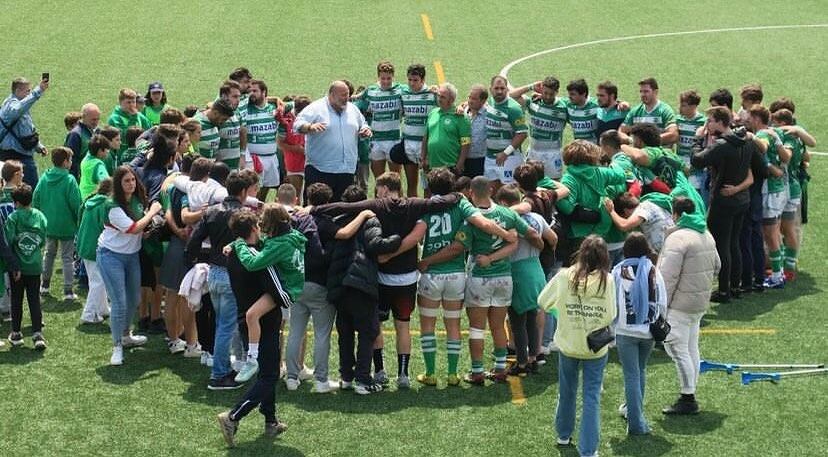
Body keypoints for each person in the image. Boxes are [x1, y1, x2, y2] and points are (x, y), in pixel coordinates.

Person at [538, 235, 616, 457]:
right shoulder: (607, 280)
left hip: (568, 342)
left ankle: (563, 435)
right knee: (591, 396)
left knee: (567, 391)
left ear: (581, 252)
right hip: (595, 347)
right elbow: (612, 314)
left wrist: (560, 312)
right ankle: (589, 450)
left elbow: (543, 301)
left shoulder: (564, 276)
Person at [217, 209, 288, 448]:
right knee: (270, 376)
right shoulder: (259, 259)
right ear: (255, 229)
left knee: (265, 371)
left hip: (247, 323)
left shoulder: (235, 252)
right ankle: (233, 417)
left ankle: (270, 419)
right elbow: (279, 292)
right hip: (264, 324)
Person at [325, 185, 401, 394]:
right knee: (367, 333)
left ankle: (346, 377)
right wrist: (397, 238)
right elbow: (377, 244)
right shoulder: (369, 220)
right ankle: (363, 379)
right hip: (361, 284)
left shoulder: (336, 222)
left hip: (339, 284)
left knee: (345, 333)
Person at [186, 171, 252, 389]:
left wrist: (191, 263)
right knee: (226, 325)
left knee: (221, 323)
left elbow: (194, 240)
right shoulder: (244, 215)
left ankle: (222, 368)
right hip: (233, 275)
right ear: (243, 192)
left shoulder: (212, 212)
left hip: (214, 273)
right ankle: (219, 374)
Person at [657, 197, 720, 415]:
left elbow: (667, 277)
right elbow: (717, 266)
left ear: (675, 214)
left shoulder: (678, 238)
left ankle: (688, 397)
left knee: (676, 347)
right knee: (691, 347)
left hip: (680, 304)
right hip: (699, 303)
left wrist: (660, 307)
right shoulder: (706, 234)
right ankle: (690, 392)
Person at [273, 184, 338, 392]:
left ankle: (291, 377)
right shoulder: (324, 223)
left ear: (308, 200)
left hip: (296, 284)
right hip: (319, 285)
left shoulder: (292, 221)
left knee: (295, 332)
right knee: (321, 334)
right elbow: (320, 254)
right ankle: (321, 381)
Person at [691, 106, 756, 302]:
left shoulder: (722, 145)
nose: (706, 125)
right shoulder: (746, 141)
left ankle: (724, 290)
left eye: (709, 121)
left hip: (723, 201)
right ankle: (735, 287)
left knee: (722, 245)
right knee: (734, 243)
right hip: (742, 200)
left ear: (720, 122)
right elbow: (759, 168)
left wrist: (698, 139)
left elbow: (697, 160)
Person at [98, 167, 163, 365]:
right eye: (126, 181)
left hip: (131, 255)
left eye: (133, 180)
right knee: (119, 302)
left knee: (134, 298)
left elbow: (138, 229)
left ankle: (126, 334)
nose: (131, 184)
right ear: (118, 183)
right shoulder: (112, 205)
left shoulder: (136, 200)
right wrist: (153, 212)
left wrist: (146, 229)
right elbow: (133, 228)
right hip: (111, 256)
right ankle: (117, 345)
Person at [496, 184, 554, 376]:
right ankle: (533, 358)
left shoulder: (507, 220)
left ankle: (521, 363)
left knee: (517, 321)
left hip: (517, 271)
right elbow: (552, 238)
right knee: (532, 316)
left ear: (503, 203)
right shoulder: (536, 218)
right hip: (535, 268)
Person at [611, 233, 666, 435]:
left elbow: (612, 301)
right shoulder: (653, 270)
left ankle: (635, 422)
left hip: (625, 331)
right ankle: (634, 412)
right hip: (648, 331)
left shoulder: (618, 271)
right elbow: (662, 302)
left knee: (631, 375)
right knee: (640, 371)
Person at [294, 80, 372, 202]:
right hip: (321, 170)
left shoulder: (353, 109)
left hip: (347, 170)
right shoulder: (316, 108)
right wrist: (309, 127)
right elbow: (297, 124)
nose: (346, 98)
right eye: (343, 95)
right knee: (318, 210)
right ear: (331, 95)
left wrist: (365, 130)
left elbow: (363, 123)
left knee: (343, 211)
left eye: (347, 95)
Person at [746, 106, 791, 289]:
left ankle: (777, 276)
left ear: (757, 118)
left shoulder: (763, 135)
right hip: (780, 190)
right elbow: (786, 158)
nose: (747, 121)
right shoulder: (774, 133)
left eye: (750, 117)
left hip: (771, 191)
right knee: (774, 233)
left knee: (770, 234)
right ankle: (778, 272)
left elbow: (762, 147)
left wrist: (751, 137)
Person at [33, 147, 81, 300]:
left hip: (48, 224)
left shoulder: (44, 178)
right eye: (70, 160)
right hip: (66, 225)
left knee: (49, 254)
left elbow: (36, 198)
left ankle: (44, 285)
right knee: (67, 257)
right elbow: (76, 203)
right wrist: (78, 220)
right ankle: (68, 290)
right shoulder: (70, 180)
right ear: (66, 162)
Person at [773, 109, 816, 281]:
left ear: (783, 123)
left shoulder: (790, 137)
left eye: (776, 123)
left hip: (787, 188)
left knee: (783, 228)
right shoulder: (797, 135)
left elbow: (787, 158)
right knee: (785, 228)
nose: (774, 126)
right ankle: (787, 266)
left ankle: (788, 268)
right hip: (793, 186)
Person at [5, 184, 47, 349]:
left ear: (16, 202)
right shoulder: (40, 216)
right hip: (35, 266)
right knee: (34, 299)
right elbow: (42, 239)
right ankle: (37, 334)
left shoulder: (13, 218)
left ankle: (16, 333)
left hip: (17, 269)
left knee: (16, 299)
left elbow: (8, 241)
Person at [509, 76, 568, 180]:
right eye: (545, 93)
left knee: (554, 186)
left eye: (551, 94)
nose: (548, 97)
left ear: (557, 92)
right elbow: (510, 97)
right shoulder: (534, 101)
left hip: (553, 153)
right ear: (541, 90)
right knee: (529, 183)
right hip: (533, 152)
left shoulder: (563, 107)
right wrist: (530, 87)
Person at [354, 60, 403, 180]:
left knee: (396, 181)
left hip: (394, 140)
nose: (386, 81)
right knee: (379, 181)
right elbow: (356, 100)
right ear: (378, 77)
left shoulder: (401, 90)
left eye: (389, 78)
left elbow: (416, 92)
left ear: (393, 77)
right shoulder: (371, 90)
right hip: (376, 141)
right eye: (383, 78)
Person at [0, 76, 49, 188]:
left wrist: (38, 146)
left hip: (22, 153)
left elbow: (26, 129)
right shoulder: (11, 105)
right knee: (27, 189)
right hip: (14, 155)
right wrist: (38, 91)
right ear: (17, 91)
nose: (29, 94)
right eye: (27, 91)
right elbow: (16, 111)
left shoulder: (20, 105)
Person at [397, 63, 437, 197]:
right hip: (408, 143)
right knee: (411, 183)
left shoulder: (432, 94)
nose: (412, 83)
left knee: (428, 183)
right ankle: (412, 214)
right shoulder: (404, 93)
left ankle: (427, 213)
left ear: (423, 80)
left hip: (425, 145)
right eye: (409, 80)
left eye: (415, 80)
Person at [77, 179, 113, 324]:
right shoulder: (105, 205)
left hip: (84, 244)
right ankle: (89, 314)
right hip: (95, 247)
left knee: (97, 279)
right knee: (98, 281)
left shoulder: (89, 201)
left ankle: (103, 308)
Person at [485, 75, 528, 188]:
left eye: (502, 88)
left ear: (507, 89)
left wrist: (505, 153)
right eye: (496, 88)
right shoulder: (489, 102)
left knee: (509, 194)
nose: (499, 91)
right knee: (491, 192)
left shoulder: (513, 109)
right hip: (490, 157)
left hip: (509, 158)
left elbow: (522, 133)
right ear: (490, 89)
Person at [420, 83, 470, 176]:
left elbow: (465, 143)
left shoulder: (460, 117)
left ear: (451, 100)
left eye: (443, 97)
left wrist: (459, 164)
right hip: (432, 165)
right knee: (430, 190)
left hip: (450, 166)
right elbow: (426, 137)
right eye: (438, 95)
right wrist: (423, 157)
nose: (439, 99)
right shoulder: (433, 113)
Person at [605, 191, 674, 253]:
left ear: (626, 211)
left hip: (669, 252)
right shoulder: (652, 205)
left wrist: (611, 211)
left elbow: (624, 225)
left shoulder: (644, 208)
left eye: (624, 217)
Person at [621, 77, 678, 146]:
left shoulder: (665, 111)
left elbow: (673, 135)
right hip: (640, 154)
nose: (642, 95)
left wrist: (649, 141)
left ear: (656, 92)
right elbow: (621, 131)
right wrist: (631, 140)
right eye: (641, 92)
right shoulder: (635, 111)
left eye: (646, 91)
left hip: (659, 154)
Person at [277, 96, 311, 200]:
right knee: (295, 196)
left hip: (312, 161)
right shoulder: (286, 120)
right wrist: (296, 149)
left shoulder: (313, 116)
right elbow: (280, 144)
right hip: (293, 162)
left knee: (311, 194)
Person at [107, 88, 151, 166]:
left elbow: (149, 131)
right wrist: (133, 118)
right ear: (120, 103)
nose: (131, 105)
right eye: (128, 102)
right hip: (122, 158)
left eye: (133, 102)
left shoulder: (140, 116)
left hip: (140, 157)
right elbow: (124, 137)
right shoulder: (115, 119)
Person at [676, 90, 708, 199]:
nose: (680, 108)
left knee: (694, 194)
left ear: (694, 106)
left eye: (684, 105)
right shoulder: (677, 120)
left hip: (695, 164)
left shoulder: (703, 122)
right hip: (680, 162)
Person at [65, 103, 101, 180]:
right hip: (82, 178)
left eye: (98, 119)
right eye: (93, 119)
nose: (96, 122)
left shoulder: (97, 131)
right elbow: (71, 160)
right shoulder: (75, 134)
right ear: (83, 117)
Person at [463, 84, 489, 178]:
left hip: (480, 160)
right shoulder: (463, 112)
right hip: (462, 159)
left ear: (483, 101)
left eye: (474, 98)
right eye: (469, 97)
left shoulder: (489, 115)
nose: (470, 101)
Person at [564, 79, 600, 143]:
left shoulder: (596, 105)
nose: (569, 97)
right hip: (579, 148)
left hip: (595, 148)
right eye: (569, 94)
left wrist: (620, 104)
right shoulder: (568, 105)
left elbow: (611, 104)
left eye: (573, 94)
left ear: (583, 94)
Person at [79, 135, 113, 199]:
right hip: (94, 201)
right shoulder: (98, 165)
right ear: (100, 151)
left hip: (83, 197)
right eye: (107, 150)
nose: (108, 153)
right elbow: (106, 182)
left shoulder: (85, 159)